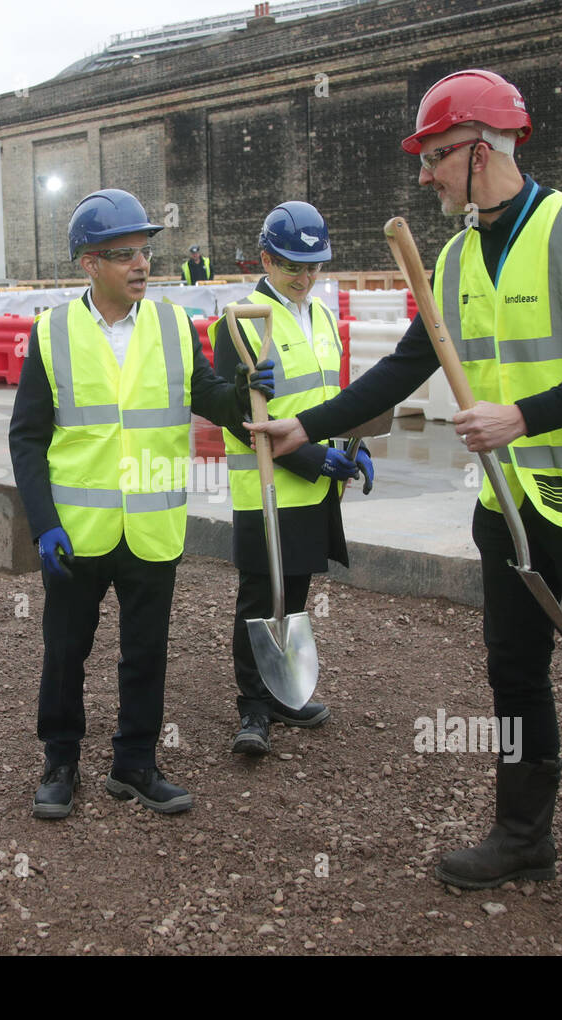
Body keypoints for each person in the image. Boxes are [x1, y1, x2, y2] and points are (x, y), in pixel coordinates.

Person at [246, 70, 562, 950]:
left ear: (481, 149)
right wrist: (302, 426)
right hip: (509, 505)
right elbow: (406, 367)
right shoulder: (455, 257)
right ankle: (523, 836)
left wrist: (524, 415)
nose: (425, 176)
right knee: (512, 675)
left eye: (435, 157)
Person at [9, 189, 274, 819]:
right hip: (77, 530)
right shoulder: (52, 333)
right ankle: (60, 761)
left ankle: (134, 763)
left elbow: (209, 396)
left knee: (146, 652)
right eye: (122, 253)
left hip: (152, 526)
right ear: (88, 263)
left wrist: (243, 394)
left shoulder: (175, 326)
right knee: (65, 650)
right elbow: (26, 437)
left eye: (144, 251)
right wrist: (43, 523)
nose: (140, 264)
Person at [212, 201, 373, 756]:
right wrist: (310, 458)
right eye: (291, 266)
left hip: (318, 483)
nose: (304, 278)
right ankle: (253, 708)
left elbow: (334, 397)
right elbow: (236, 420)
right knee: (262, 593)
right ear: (265, 259)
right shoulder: (239, 321)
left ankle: (285, 695)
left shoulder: (323, 317)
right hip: (267, 485)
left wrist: (354, 443)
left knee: (297, 586)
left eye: (314, 267)